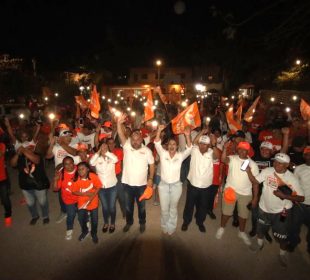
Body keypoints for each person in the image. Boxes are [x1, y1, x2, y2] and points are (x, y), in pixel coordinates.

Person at [246, 153, 304, 267]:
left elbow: (301, 198)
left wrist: (284, 196)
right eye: (276, 161)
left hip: (282, 212)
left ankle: (283, 253)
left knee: (281, 235)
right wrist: (248, 171)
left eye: (280, 163)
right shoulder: (267, 171)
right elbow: (256, 181)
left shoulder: (291, 178)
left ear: (287, 165)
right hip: (264, 208)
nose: (277, 164)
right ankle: (259, 243)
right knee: (260, 228)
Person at [215, 141, 259, 246]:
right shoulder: (233, 158)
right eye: (240, 149)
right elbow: (223, 159)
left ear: (248, 151)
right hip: (231, 190)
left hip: (246, 193)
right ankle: (222, 228)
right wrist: (225, 149)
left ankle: (241, 232)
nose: (242, 151)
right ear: (237, 149)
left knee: (243, 215)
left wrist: (255, 198)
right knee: (226, 212)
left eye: (245, 149)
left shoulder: (253, 164)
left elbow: (256, 183)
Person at [116, 113, 155, 233]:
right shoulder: (127, 146)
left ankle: (142, 223)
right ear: (130, 140)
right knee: (128, 207)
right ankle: (129, 222)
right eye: (133, 139)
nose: (135, 141)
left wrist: (150, 179)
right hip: (127, 184)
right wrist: (118, 123)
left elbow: (152, 165)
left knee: (142, 207)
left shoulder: (147, 151)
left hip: (142, 185)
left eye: (138, 139)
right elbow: (121, 135)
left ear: (141, 139)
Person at [154, 125, 192, 235]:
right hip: (163, 185)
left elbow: (189, 149)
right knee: (164, 209)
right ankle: (164, 225)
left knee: (173, 208)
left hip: (176, 186)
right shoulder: (163, 154)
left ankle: (172, 227)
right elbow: (157, 143)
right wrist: (159, 131)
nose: (171, 146)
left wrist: (187, 136)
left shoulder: (180, 156)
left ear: (177, 146)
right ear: (167, 146)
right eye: (170, 144)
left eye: (174, 144)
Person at [182, 129, 220, 232]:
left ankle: (200, 222)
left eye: (205, 144)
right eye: (201, 144)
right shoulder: (194, 150)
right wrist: (202, 131)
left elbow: (218, 157)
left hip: (206, 186)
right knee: (189, 204)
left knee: (202, 206)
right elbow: (193, 142)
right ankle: (186, 221)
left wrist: (214, 145)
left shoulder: (212, 152)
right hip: (193, 184)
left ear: (209, 146)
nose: (202, 146)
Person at [10, 143, 50, 225]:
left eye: (31, 147)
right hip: (25, 185)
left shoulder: (37, 155)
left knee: (42, 202)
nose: (29, 148)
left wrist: (24, 150)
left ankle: (45, 216)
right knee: (30, 203)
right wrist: (18, 153)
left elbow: (36, 160)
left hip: (39, 184)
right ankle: (34, 216)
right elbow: (12, 164)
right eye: (27, 147)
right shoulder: (20, 157)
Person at [46, 129, 78, 224]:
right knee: (61, 195)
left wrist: (62, 144)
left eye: (70, 136)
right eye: (66, 136)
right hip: (60, 176)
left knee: (75, 192)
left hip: (73, 174)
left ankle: (78, 210)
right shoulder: (56, 148)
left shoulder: (74, 145)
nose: (69, 138)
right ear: (61, 137)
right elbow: (48, 156)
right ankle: (64, 211)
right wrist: (52, 144)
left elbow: (74, 153)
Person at [90, 142, 118, 233]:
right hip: (101, 187)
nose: (105, 147)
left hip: (112, 186)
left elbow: (116, 159)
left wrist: (106, 153)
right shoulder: (97, 158)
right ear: (99, 147)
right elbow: (91, 163)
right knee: (105, 207)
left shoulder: (111, 156)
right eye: (102, 146)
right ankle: (106, 223)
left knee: (112, 207)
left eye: (106, 145)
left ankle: (112, 223)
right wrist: (98, 153)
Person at [70, 162, 102, 243]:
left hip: (93, 201)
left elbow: (98, 186)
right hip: (81, 202)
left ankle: (94, 233)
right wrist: (86, 194)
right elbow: (74, 191)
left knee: (94, 220)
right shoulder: (76, 179)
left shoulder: (93, 176)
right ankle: (85, 231)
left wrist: (92, 197)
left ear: (88, 169)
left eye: (82, 169)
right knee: (81, 219)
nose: (80, 171)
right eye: (79, 170)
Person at [287, 146, 310, 254]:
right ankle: (293, 242)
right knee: (294, 226)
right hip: (300, 204)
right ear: (304, 156)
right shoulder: (299, 168)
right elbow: (294, 185)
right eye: (307, 154)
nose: (309, 156)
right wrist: (294, 197)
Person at [53, 156, 78, 240]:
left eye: (71, 163)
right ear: (63, 165)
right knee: (71, 215)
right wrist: (56, 180)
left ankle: (86, 222)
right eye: (66, 164)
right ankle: (69, 229)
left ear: (74, 163)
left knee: (83, 213)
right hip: (68, 199)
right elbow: (55, 189)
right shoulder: (61, 174)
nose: (69, 166)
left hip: (80, 197)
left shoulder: (79, 169)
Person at [106, 137, 125, 217]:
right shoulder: (103, 153)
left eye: (112, 143)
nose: (111, 145)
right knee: (110, 196)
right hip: (107, 177)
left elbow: (122, 163)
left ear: (115, 144)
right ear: (106, 144)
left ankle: (124, 212)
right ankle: (110, 212)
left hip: (118, 176)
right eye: (109, 143)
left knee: (121, 195)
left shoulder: (119, 151)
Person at [0, 137, 12, 227]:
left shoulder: (2, 145)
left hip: (1, 177)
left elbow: (1, 154)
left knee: (5, 198)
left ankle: (8, 214)